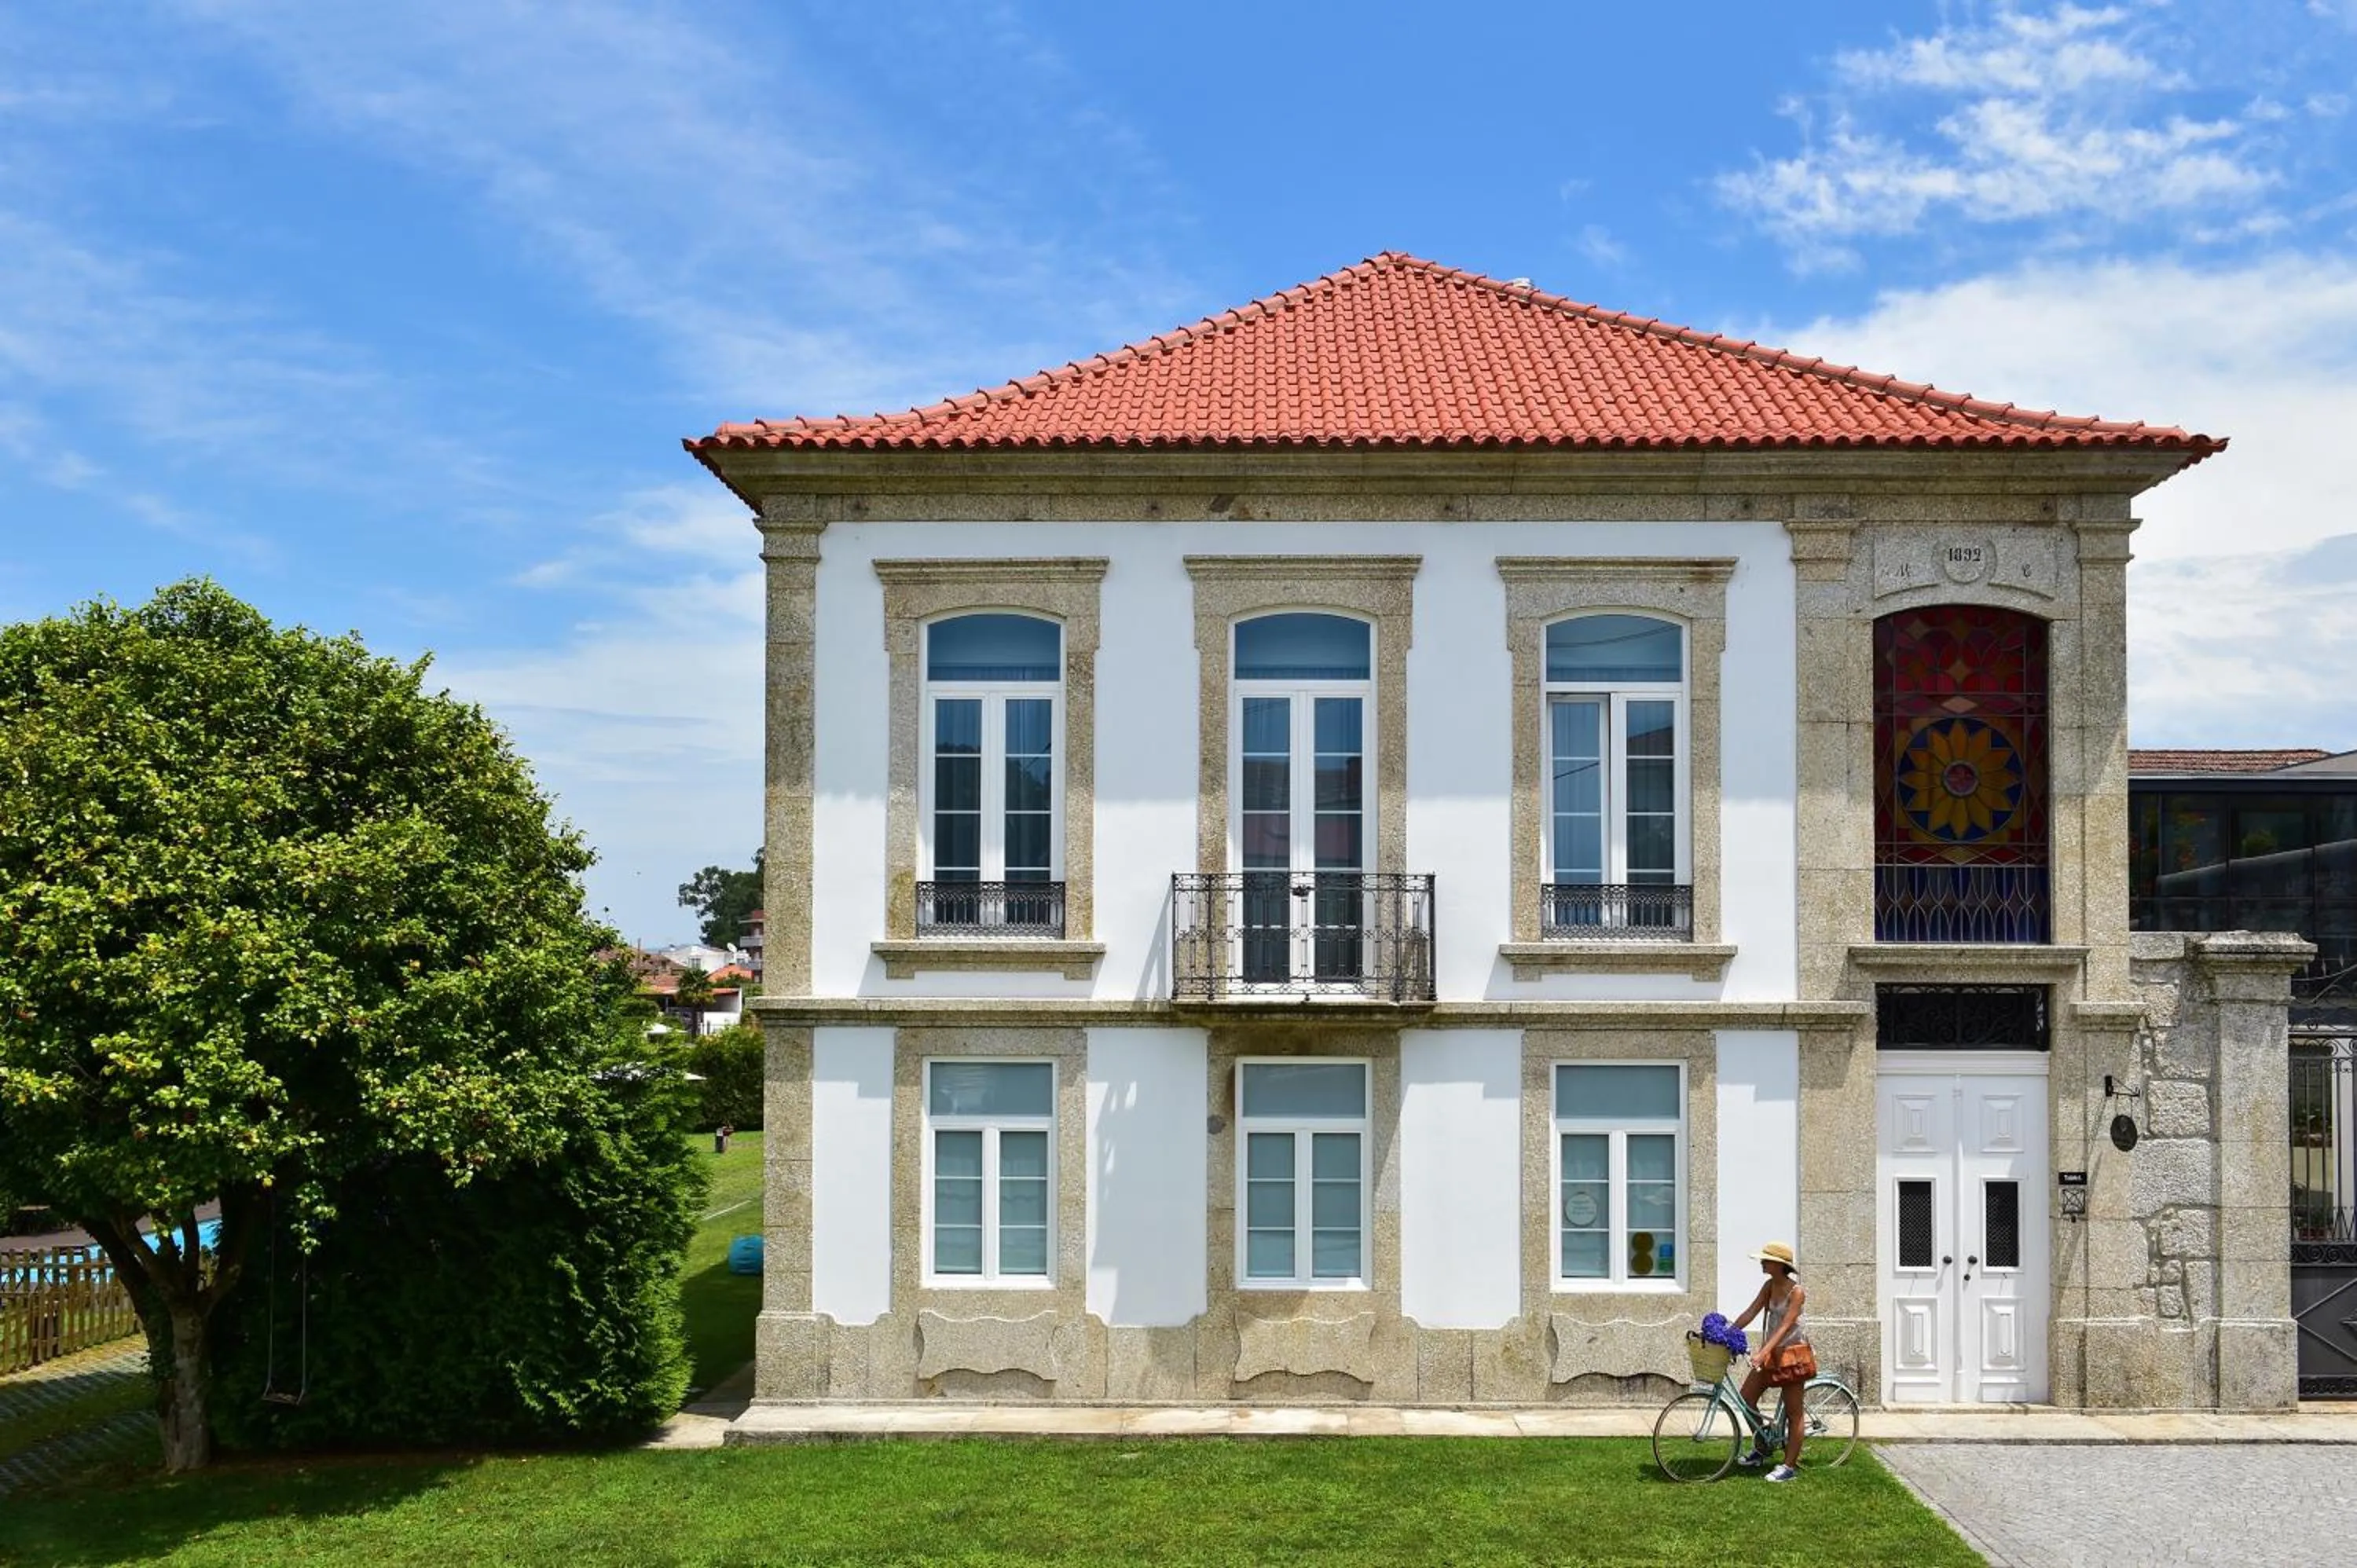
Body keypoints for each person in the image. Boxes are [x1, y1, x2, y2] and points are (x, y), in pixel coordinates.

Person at [1729, 1240, 1811, 1482]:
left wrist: (1764, 1351)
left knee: (1795, 1412)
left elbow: (1785, 1327)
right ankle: (1763, 1446)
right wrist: (1728, 1332)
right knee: (1746, 1399)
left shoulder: (1797, 1292)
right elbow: (1751, 1311)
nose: (1762, 1263)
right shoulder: (1768, 1286)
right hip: (1771, 1353)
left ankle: (1789, 1467)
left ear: (1779, 1264)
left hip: (1792, 1355)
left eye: (1766, 1260)